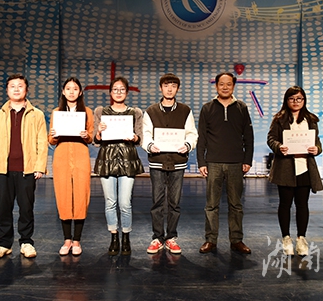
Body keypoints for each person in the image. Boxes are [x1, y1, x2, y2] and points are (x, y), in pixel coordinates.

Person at [0, 74, 48, 259]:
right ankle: (3, 244)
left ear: (26, 90)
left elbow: (42, 142)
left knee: (26, 207)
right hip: (3, 169)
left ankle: (26, 242)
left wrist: (39, 166)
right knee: (4, 207)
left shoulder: (36, 114)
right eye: (12, 86)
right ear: (7, 90)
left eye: (20, 86)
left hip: (27, 169)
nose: (16, 89)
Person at [197, 72, 254, 254]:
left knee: (236, 204)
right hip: (213, 163)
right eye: (221, 84)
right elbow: (202, 137)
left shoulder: (241, 108)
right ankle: (210, 240)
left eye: (228, 84)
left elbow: (248, 136)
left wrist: (247, 160)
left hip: (236, 163)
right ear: (216, 86)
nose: (225, 87)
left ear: (233, 86)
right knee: (211, 205)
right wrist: (201, 162)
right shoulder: (207, 108)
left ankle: (236, 240)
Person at [142, 73, 198, 254]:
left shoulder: (185, 110)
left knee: (175, 202)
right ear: (161, 88)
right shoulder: (151, 111)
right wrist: (150, 145)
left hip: (177, 162)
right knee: (157, 201)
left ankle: (171, 237)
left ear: (177, 89)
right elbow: (145, 134)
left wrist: (187, 145)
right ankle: (158, 238)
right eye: (166, 85)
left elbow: (192, 133)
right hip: (157, 161)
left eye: (173, 86)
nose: (169, 89)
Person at [267, 86, 323, 256]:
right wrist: (279, 147)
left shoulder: (311, 119)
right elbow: (271, 139)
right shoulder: (279, 119)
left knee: (302, 204)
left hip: (305, 167)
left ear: (304, 100)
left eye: (299, 99)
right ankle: (286, 238)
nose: (296, 102)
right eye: (292, 99)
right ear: (286, 101)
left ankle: (301, 239)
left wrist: (317, 149)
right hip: (285, 167)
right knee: (285, 204)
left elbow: (317, 141)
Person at [93, 77, 144, 256]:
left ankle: (126, 237)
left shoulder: (135, 112)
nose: (118, 92)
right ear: (110, 92)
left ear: (127, 92)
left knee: (124, 203)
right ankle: (114, 237)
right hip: (107, 158)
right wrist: (99, 132)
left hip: (127, 159)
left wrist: (134, 137)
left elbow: (140, 138)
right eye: (115, 89)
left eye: (122, 89)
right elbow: (96, 140)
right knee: (110, 202)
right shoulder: (101, 111)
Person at [49, 77, 94, 256]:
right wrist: (53, 135)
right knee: (64, 195)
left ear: (80, 92)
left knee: (81, 195)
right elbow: (51, 139)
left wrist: (86, 135)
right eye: (68, 88)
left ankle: (77, 240)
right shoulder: (57, 112)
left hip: (81, 154)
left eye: (75, 89)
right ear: (63, 91)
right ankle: (67, 240)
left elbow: (91, 137)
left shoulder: (87, 112)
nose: (71, 92)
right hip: (61, 156)